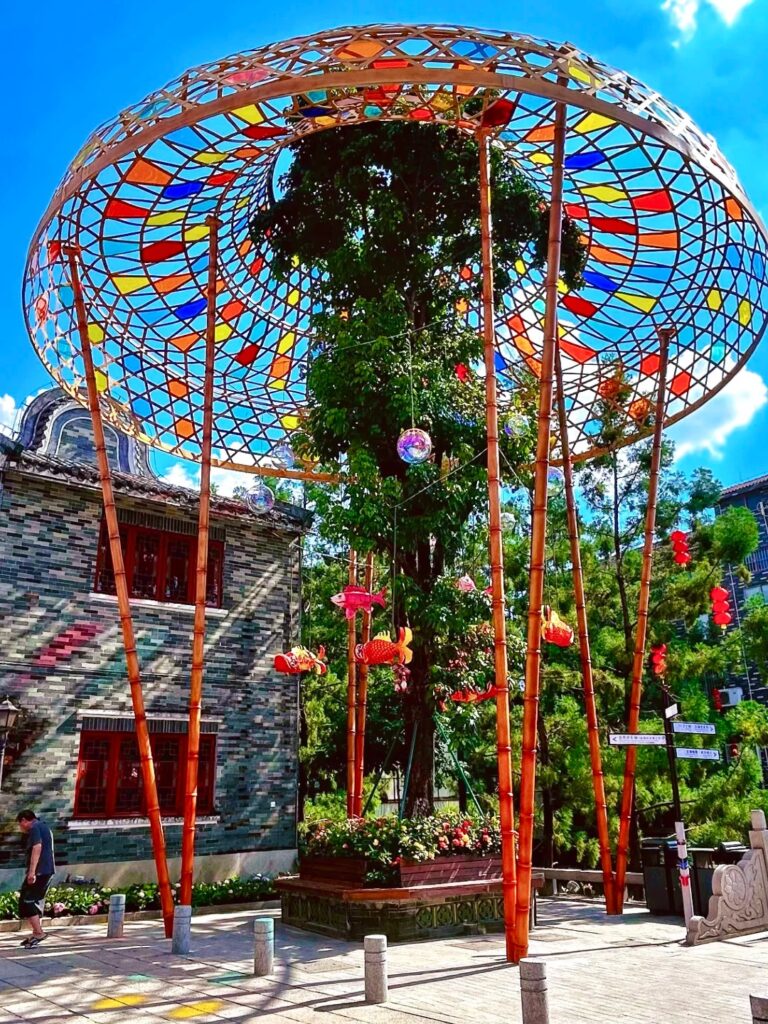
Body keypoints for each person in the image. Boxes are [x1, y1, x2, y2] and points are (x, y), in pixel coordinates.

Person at [16, 810, 55, 947]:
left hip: (40, 871)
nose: (21, 827)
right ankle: (36, 932)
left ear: (24, 820)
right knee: (33, 900)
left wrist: (32, 872)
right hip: (47, 870)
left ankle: (39, 933)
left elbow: (37, 847)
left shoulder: (34, 828)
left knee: (27, 901)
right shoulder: (44, 826)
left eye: (20, 824)